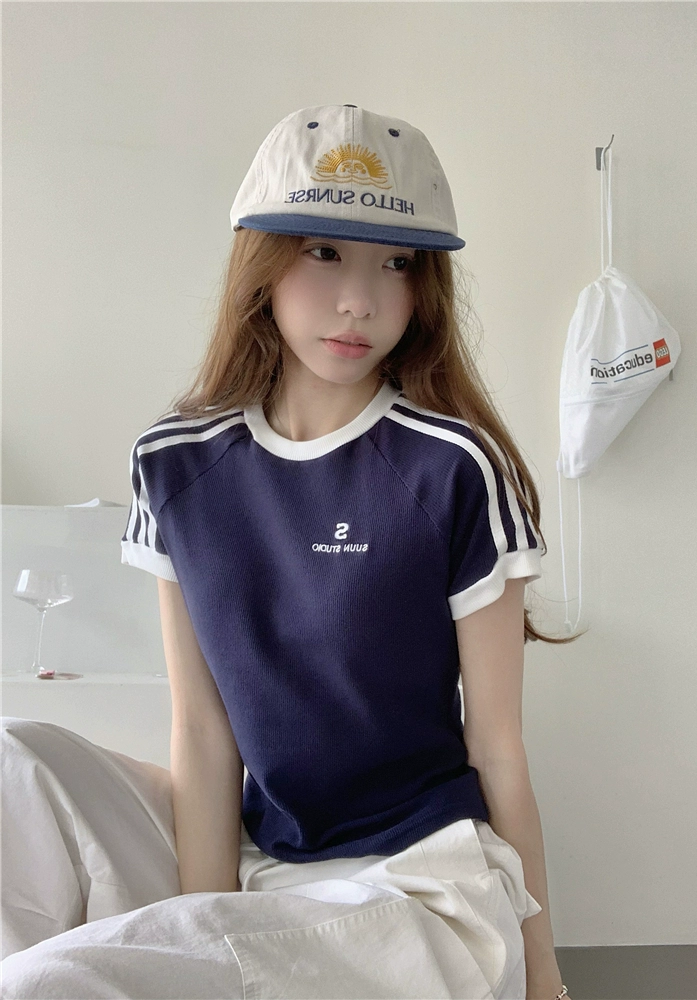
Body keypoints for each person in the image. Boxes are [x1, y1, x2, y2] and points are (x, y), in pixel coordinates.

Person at [1, 105, 578, 1000]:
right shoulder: (176, 462)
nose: (362, 301)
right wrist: (203, 915)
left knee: (52, 983)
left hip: (419, 884)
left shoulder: (452, 467)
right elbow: (203, 729)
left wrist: (543, 977)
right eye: (324, 252)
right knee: (14, 759)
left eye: (397, 263)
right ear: (260, 262)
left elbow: (497, 744)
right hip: (257, 854)